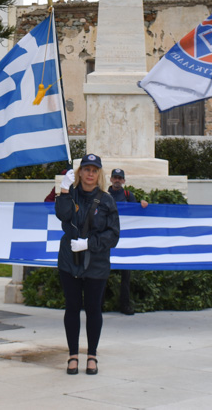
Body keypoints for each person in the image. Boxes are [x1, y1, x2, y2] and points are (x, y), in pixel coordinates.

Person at [55, 154, 120, 375]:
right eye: (86, 169)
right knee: (72, 308)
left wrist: (90, 243)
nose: (90, 174)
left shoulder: (107, 200)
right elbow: (63, 215)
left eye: (94, 170)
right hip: (69, 261)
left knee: (93, 309)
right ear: (80, 172)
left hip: (96, 262)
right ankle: (73, 354)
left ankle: (92, 355)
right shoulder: (70, 194)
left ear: (99, 174)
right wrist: (63, 190)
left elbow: (113, 235)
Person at [107, 167, 147, 315]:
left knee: (126, 275)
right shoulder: (103, 194)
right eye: (115, 177)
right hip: (108, 239)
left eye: (119, 178)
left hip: (125, 240)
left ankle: (125, 305)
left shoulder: (128, 195)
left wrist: (142, 205)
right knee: (102, 273)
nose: (117, 180)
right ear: (110, 179)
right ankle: (98, 304)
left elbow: (136, 215)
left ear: (123, 181)